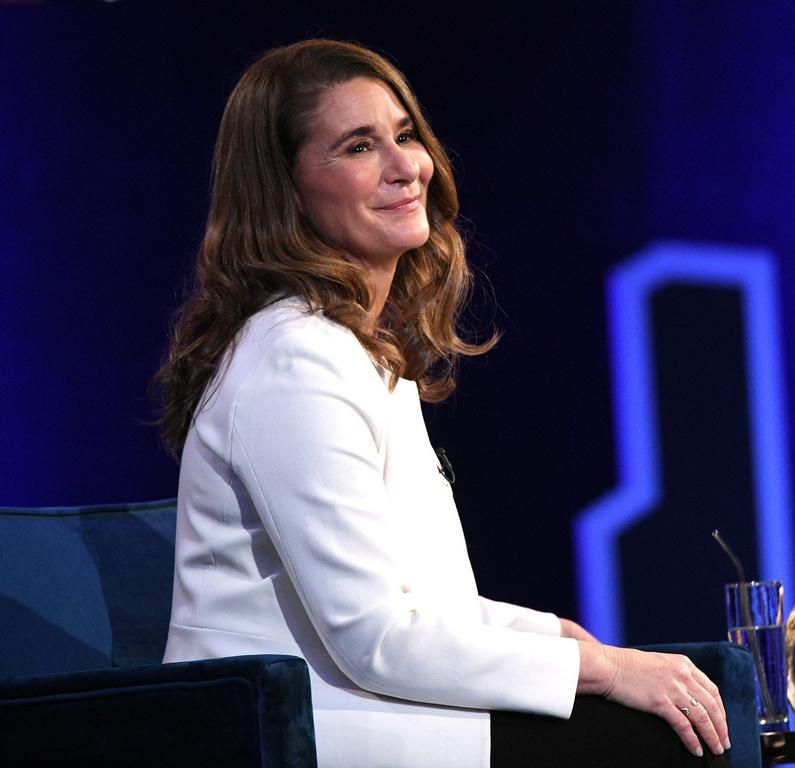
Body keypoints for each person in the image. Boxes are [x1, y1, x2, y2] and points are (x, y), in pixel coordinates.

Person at [155, 39, 731, 768]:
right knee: (661, 741)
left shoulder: (353, 347)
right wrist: (608, 671)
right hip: (301, 736)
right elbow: (378, 636)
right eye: (360, 147)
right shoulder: (296, 359)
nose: (407, 167)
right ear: (288, 190)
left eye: (405, 135)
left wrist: (565, 639)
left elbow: (423, 605)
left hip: (374, 715)